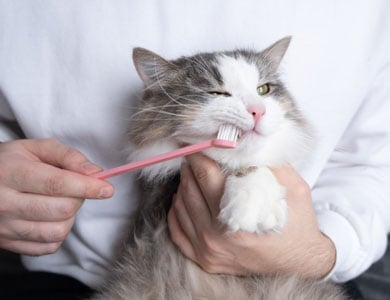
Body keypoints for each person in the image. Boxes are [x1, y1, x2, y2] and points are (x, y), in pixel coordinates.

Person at [0, 0, 389, 298]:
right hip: (75, 276)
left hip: (312, 270)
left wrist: (318, 253)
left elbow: (374, 164)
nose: (254, 107)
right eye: (218, 93)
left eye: (265, 89)